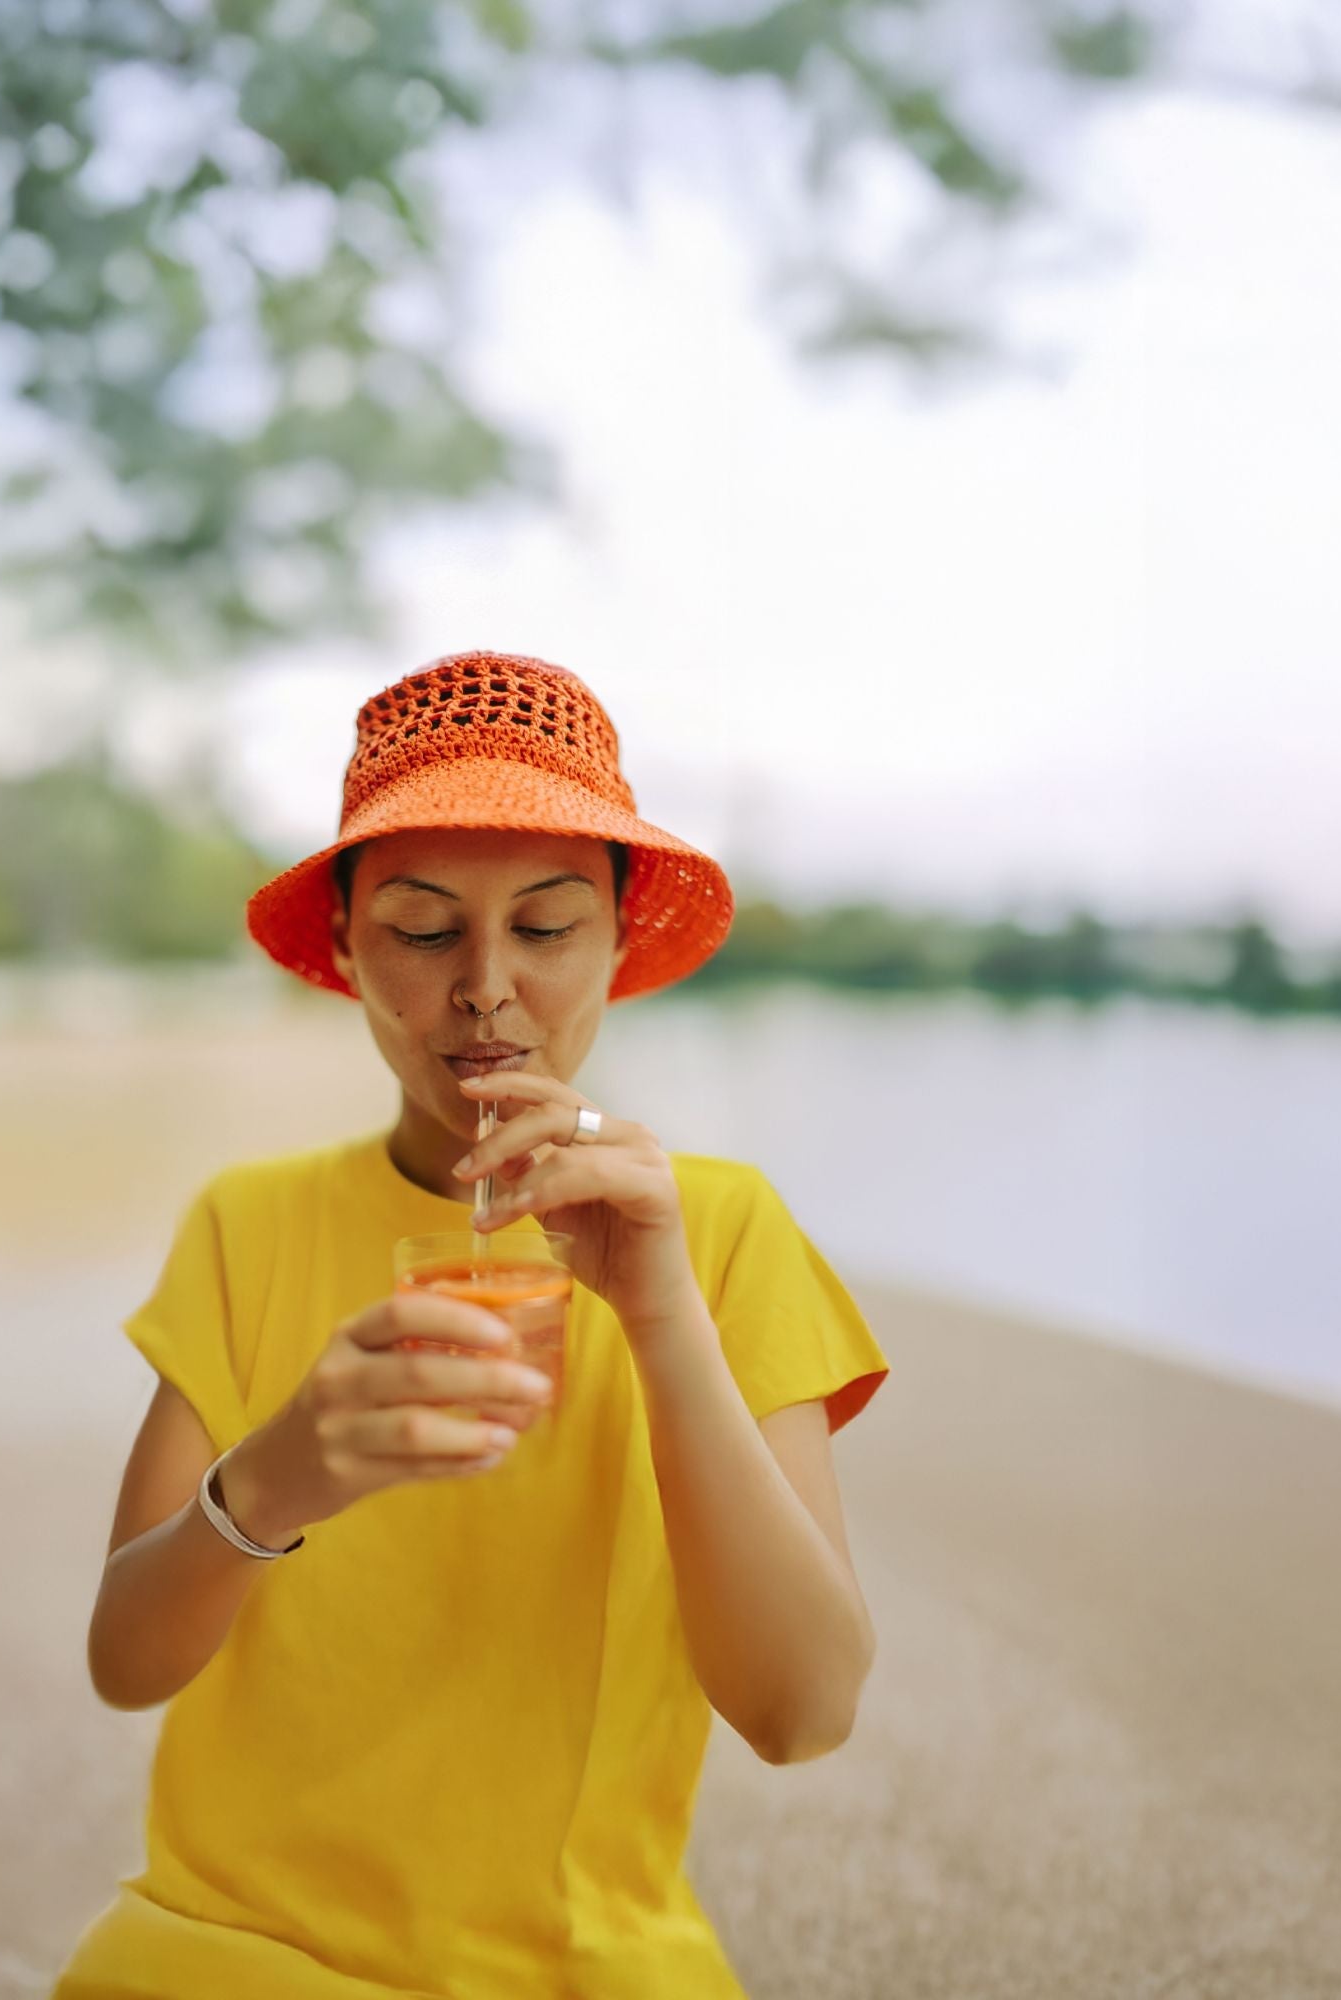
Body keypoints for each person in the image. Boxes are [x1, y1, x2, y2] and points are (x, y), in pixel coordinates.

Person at [52, 650, 890, 1999]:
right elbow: (126, 1663)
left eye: (548, 929)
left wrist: (661, 1314)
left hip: (585, 1963)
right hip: (237, 1944)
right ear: (345, 948)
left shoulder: (722, 1233)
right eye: (425, 929)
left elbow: (803, 1713)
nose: (487, 987)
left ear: (621, 940)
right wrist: (281, 1476)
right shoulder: (248, 1223)